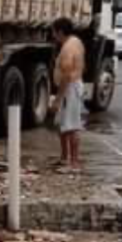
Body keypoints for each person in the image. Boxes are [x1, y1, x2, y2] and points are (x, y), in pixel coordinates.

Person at [49, 18, 86, 171]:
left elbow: (66, 75)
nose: (53, 35)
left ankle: (74, 163)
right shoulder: (76, 41)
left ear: (60, 31)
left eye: (54, 32)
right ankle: (64, 158)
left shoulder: (67, 49)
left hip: (69, 88)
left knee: (71, 126)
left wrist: (58, 99)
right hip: (73, 85)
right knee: (62, 125)